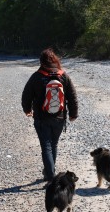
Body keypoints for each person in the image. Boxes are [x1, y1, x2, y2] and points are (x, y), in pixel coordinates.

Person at [21, 48, 78, 184]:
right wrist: (73, 114)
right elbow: (72, 96)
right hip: (59, 117)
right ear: (55, 60)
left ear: (41, 62)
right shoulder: (63, 75)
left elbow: (26, 95)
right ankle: (49, 174)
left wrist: (27, 109)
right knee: (54, 144)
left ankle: (51, 178)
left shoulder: (36, 76)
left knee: (46, 146)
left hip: (41, 118)